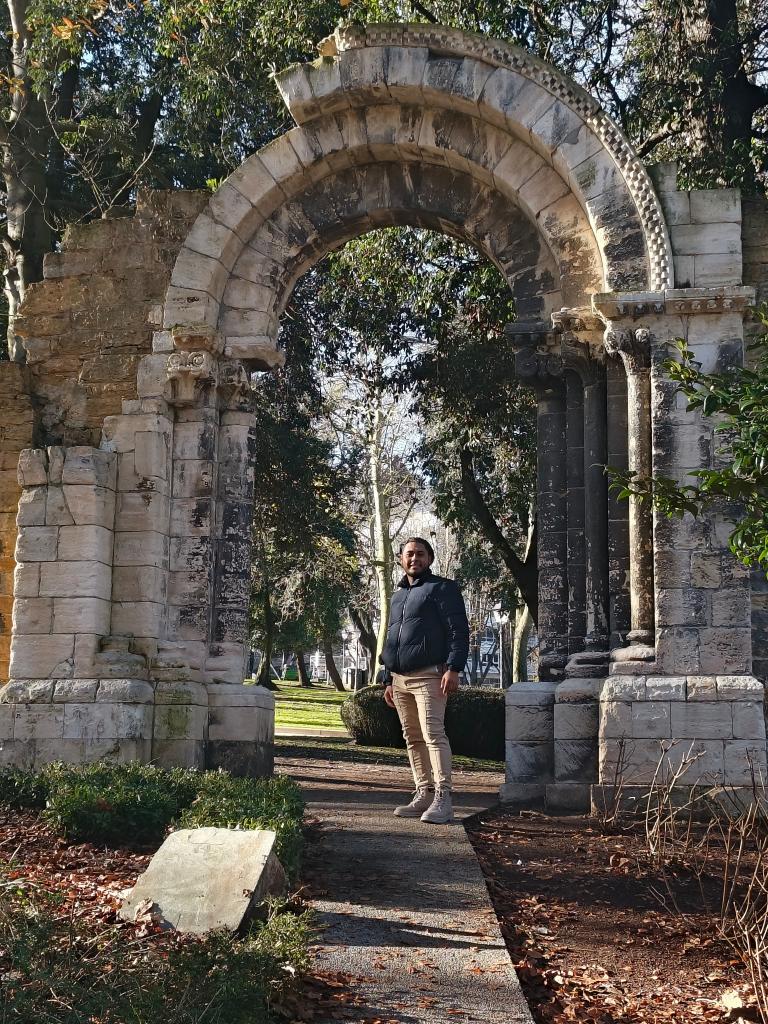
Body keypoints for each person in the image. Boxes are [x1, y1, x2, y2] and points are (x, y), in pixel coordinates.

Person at [380, 537, 469, 825]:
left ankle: (444, 798)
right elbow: (392, 636)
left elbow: (458, 631)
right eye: (409, 554)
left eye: (420, 554)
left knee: (433, 735)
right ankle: (424, 793)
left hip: (430, 675)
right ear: (401, 559)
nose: (414, 558)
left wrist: (454, 668)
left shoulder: (442, 588)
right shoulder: (397, 596)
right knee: (412, 738)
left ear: (429, 558)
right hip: (400, 678)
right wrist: (387, 679)